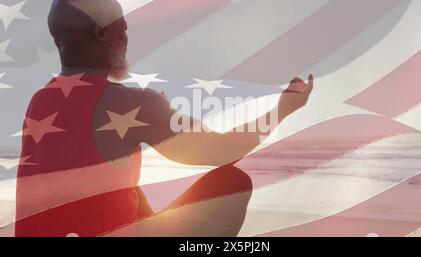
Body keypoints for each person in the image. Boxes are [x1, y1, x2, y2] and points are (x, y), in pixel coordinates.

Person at [15, 0, 314, 237]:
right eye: (123, 29)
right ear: (102, 33)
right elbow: (224, 150)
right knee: (233, 183)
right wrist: (283, 108)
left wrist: (151, 120)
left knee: (127, 187)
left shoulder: (40, 102)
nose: (125, 39)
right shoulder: (130, 103)